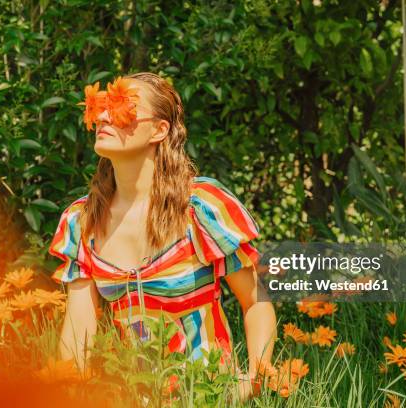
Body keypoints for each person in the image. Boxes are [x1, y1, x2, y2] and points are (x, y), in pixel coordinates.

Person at [48, 72, 276, 401]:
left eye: (123, 108)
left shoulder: (199, 209)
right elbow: (78, 332)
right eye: (102, 106)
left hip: (208, 394)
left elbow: (255, 300)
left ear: (159, 129)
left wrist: (254, 378)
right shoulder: (81, 222)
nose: (103, 116)